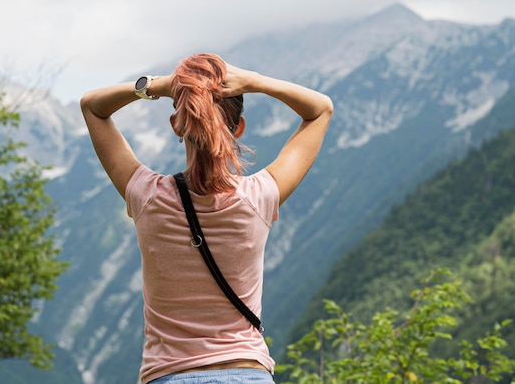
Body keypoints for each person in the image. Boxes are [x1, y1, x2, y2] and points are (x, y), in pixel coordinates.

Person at [80, 53, 333, 384]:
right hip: (249, 375)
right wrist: (256, 80)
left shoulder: (146, 195)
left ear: (176, 125)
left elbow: (92, 106)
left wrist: (161, 85)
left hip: (169, 376)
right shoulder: (259, 196)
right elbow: (320, 110)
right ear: (239, 128)